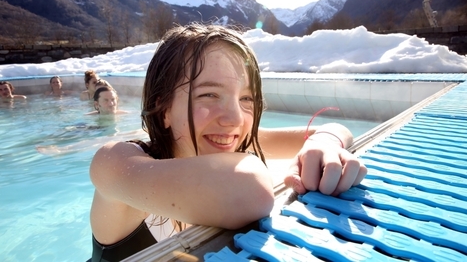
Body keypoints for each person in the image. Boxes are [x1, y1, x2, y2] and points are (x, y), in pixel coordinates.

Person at [88, 24, 367, 261]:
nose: (235, 119)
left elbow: (334, 128)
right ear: (164, 111)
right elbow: (250, 192)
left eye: (245, 98)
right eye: (209, 95)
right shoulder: (115, 163)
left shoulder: (229, 139)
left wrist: (325, 144)